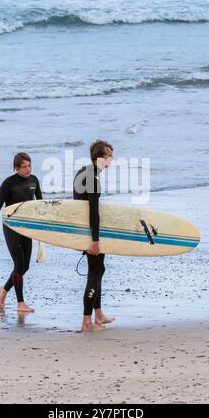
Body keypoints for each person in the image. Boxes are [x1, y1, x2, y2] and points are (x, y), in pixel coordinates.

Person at [0, 152, 42, 312]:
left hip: (27, 226)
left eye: (29, 165)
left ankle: (4, 290)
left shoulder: (34, 180)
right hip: (11, 226)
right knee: (18, 264)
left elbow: (40, 205)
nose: (27, 169)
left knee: (25, 267)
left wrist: (44, 228)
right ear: (15, 168)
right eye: (24, 166)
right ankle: (20, 304)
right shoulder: (8, 183)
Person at [73, 140, 115, 332]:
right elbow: (92, 212)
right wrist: (95, 240)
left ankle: (98, 314)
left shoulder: (85, 171)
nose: (112, 159)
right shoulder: (93, 178)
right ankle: (86, 322)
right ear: (100, 157)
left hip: (84, 231)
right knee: (94, 273)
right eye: (109, 155)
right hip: (90, 234)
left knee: (99, 270)